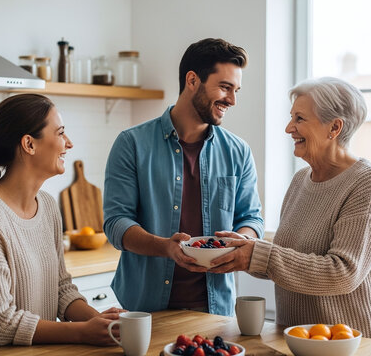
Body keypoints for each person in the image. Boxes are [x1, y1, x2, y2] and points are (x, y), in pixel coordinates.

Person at [210, 77, 371, 340]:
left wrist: (259, 255)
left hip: (351, 344)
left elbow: (343, 273)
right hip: (297, 339)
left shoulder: (367, 182)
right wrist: (241, 252)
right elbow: (289, 258)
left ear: (334, 127)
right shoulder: (301, 180)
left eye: (299, 119)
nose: (288, 128)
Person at [0, 94, 125, 356]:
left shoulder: (48, 207)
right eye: (60, 133)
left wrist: (99, 322)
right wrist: (83, 332)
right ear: (29, 144)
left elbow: (61, 289)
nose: (69, 143)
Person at [103, 38, 264, 316]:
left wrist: (238, 242)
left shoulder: (239, 151)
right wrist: (165, 248)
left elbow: (251, 218)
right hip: (145, 309)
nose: (232, 100)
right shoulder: (131, 143)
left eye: (236, 90)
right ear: (192, 80)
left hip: (216, 311)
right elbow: (116, 223)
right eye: (225, 87)